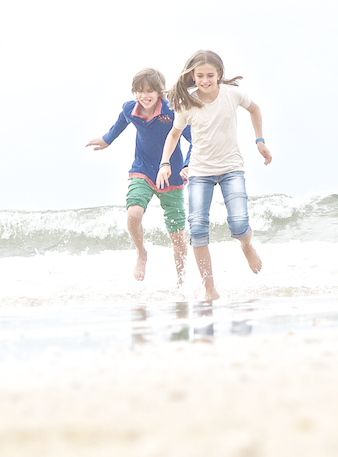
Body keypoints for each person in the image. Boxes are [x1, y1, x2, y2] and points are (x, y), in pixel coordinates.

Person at [156, 50, 272, 301]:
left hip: (231, 169)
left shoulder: (232, 95)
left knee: (239, 225)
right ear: (192, 76)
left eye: (210, 75)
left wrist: (260, 140)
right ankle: (210, 289)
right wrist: (164, 163)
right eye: (200, 76)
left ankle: (246, 245)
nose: (205, 80)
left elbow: (255, 109)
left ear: (219, 74)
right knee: (197, 229)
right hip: (200, 172)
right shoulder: (188, 102)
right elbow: (174, 134)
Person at [86, 68, 193, 283]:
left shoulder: (171, 111)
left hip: (172, 175)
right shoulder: (130, 109)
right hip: (142, 169)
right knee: (133, 214)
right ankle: (141, 253)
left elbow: (194, 139)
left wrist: (188, 164)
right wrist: (107, 139)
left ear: (160, 92)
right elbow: (120, 123)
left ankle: (181, 282)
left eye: (150, 91)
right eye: (140, 91)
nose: (145, 96)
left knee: (177, 236)